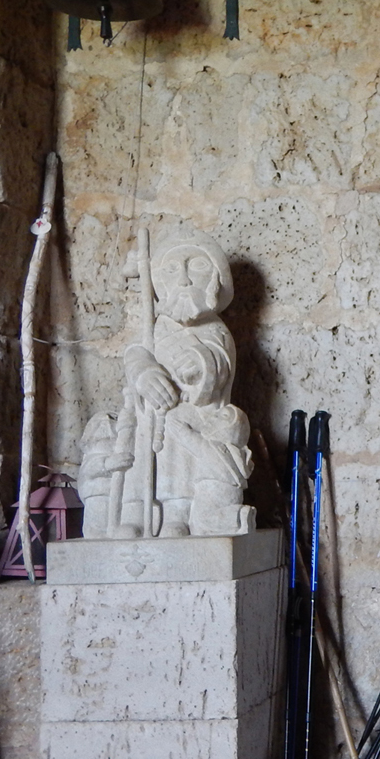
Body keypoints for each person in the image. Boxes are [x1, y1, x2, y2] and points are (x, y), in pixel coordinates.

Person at [78, 230, 254, 537]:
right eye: (172, 270)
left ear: (216, 279)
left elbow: (219, 364)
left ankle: (178, 515)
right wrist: (145, 373)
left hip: (189, 416)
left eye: (197, 267)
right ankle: (134, 513)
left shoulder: (216, 330)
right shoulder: (155, 327)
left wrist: (198, 364)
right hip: (146, 416)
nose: (184, 280)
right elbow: (136, 353)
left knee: (179, 443)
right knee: (138, 446)